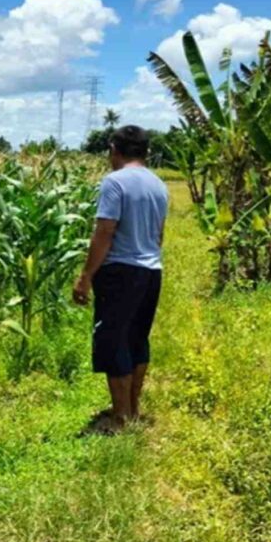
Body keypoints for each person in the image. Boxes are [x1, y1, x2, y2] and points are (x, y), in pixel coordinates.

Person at [71, 125, 168, 434]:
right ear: (146, 152)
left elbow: (104, 231)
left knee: (114, 342)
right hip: (152, 271)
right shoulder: (159, 185)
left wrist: (86, 277)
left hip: (120, 273)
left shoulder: (115, 182)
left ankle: (120, 418)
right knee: (137, 340)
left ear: (114, 149)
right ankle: (133, 410)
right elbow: (160, 235)